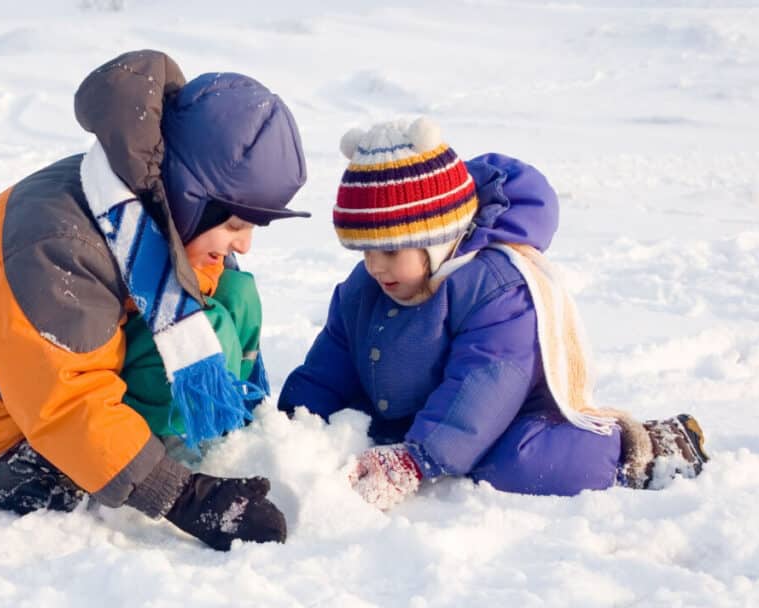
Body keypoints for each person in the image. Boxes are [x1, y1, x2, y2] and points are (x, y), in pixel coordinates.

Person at [0, 50, 309, 550]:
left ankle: (151, 437)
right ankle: (45, 464)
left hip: (74, 336)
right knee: (132, 394)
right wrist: (184, 496)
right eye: (235, 223)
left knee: (233, 292)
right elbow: (67, 395)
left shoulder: (149, 198)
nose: (246, 242)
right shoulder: (57, 244)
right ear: (190, 194)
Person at [278, 117, 708, 510]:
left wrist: (420, 458)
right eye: (365, 250)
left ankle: (644, 446)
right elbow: (330, 362)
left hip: (507, 416)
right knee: (355, 429)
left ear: (436, 240)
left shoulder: (495, 288)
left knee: (513, 464)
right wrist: (293, 426)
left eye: (390, 250)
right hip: (414, 412)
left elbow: (484, 380)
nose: (375, 266)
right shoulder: (366, 286)